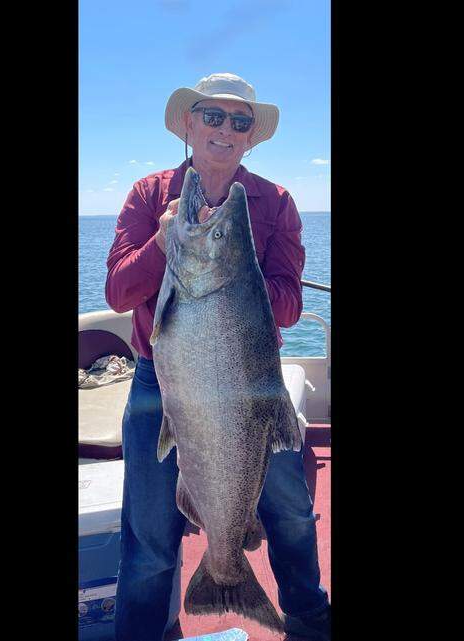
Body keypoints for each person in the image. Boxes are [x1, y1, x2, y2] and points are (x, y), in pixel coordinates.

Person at [104, 73, 331, 641]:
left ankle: (308, 617)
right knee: (150, 538)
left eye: (240, 121)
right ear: (188, 123)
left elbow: (289, 305)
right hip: (163, 382)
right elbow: (117, 294)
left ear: (252, 137)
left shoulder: (276, 203)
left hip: (255, 382)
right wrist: (161, 243)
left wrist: (238, 271)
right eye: (212, 116)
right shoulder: (148, 195)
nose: (225, 129)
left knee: (294, 517)